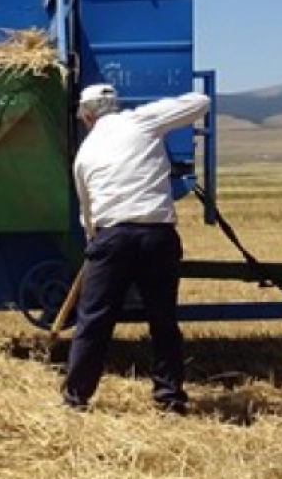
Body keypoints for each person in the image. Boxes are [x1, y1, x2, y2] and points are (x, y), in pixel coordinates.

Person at [62, 82, 211, 415]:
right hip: (157, 235)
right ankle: (170, 400)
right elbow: (201, 101)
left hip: (111, 237)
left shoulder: (84, 156)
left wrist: (95, 247)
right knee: (163, 321)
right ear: (115, 105)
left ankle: (75, 400)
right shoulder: (142, 120)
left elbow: (87, 214)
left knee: (94, 322)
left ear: (87, 117)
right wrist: (153, 110)